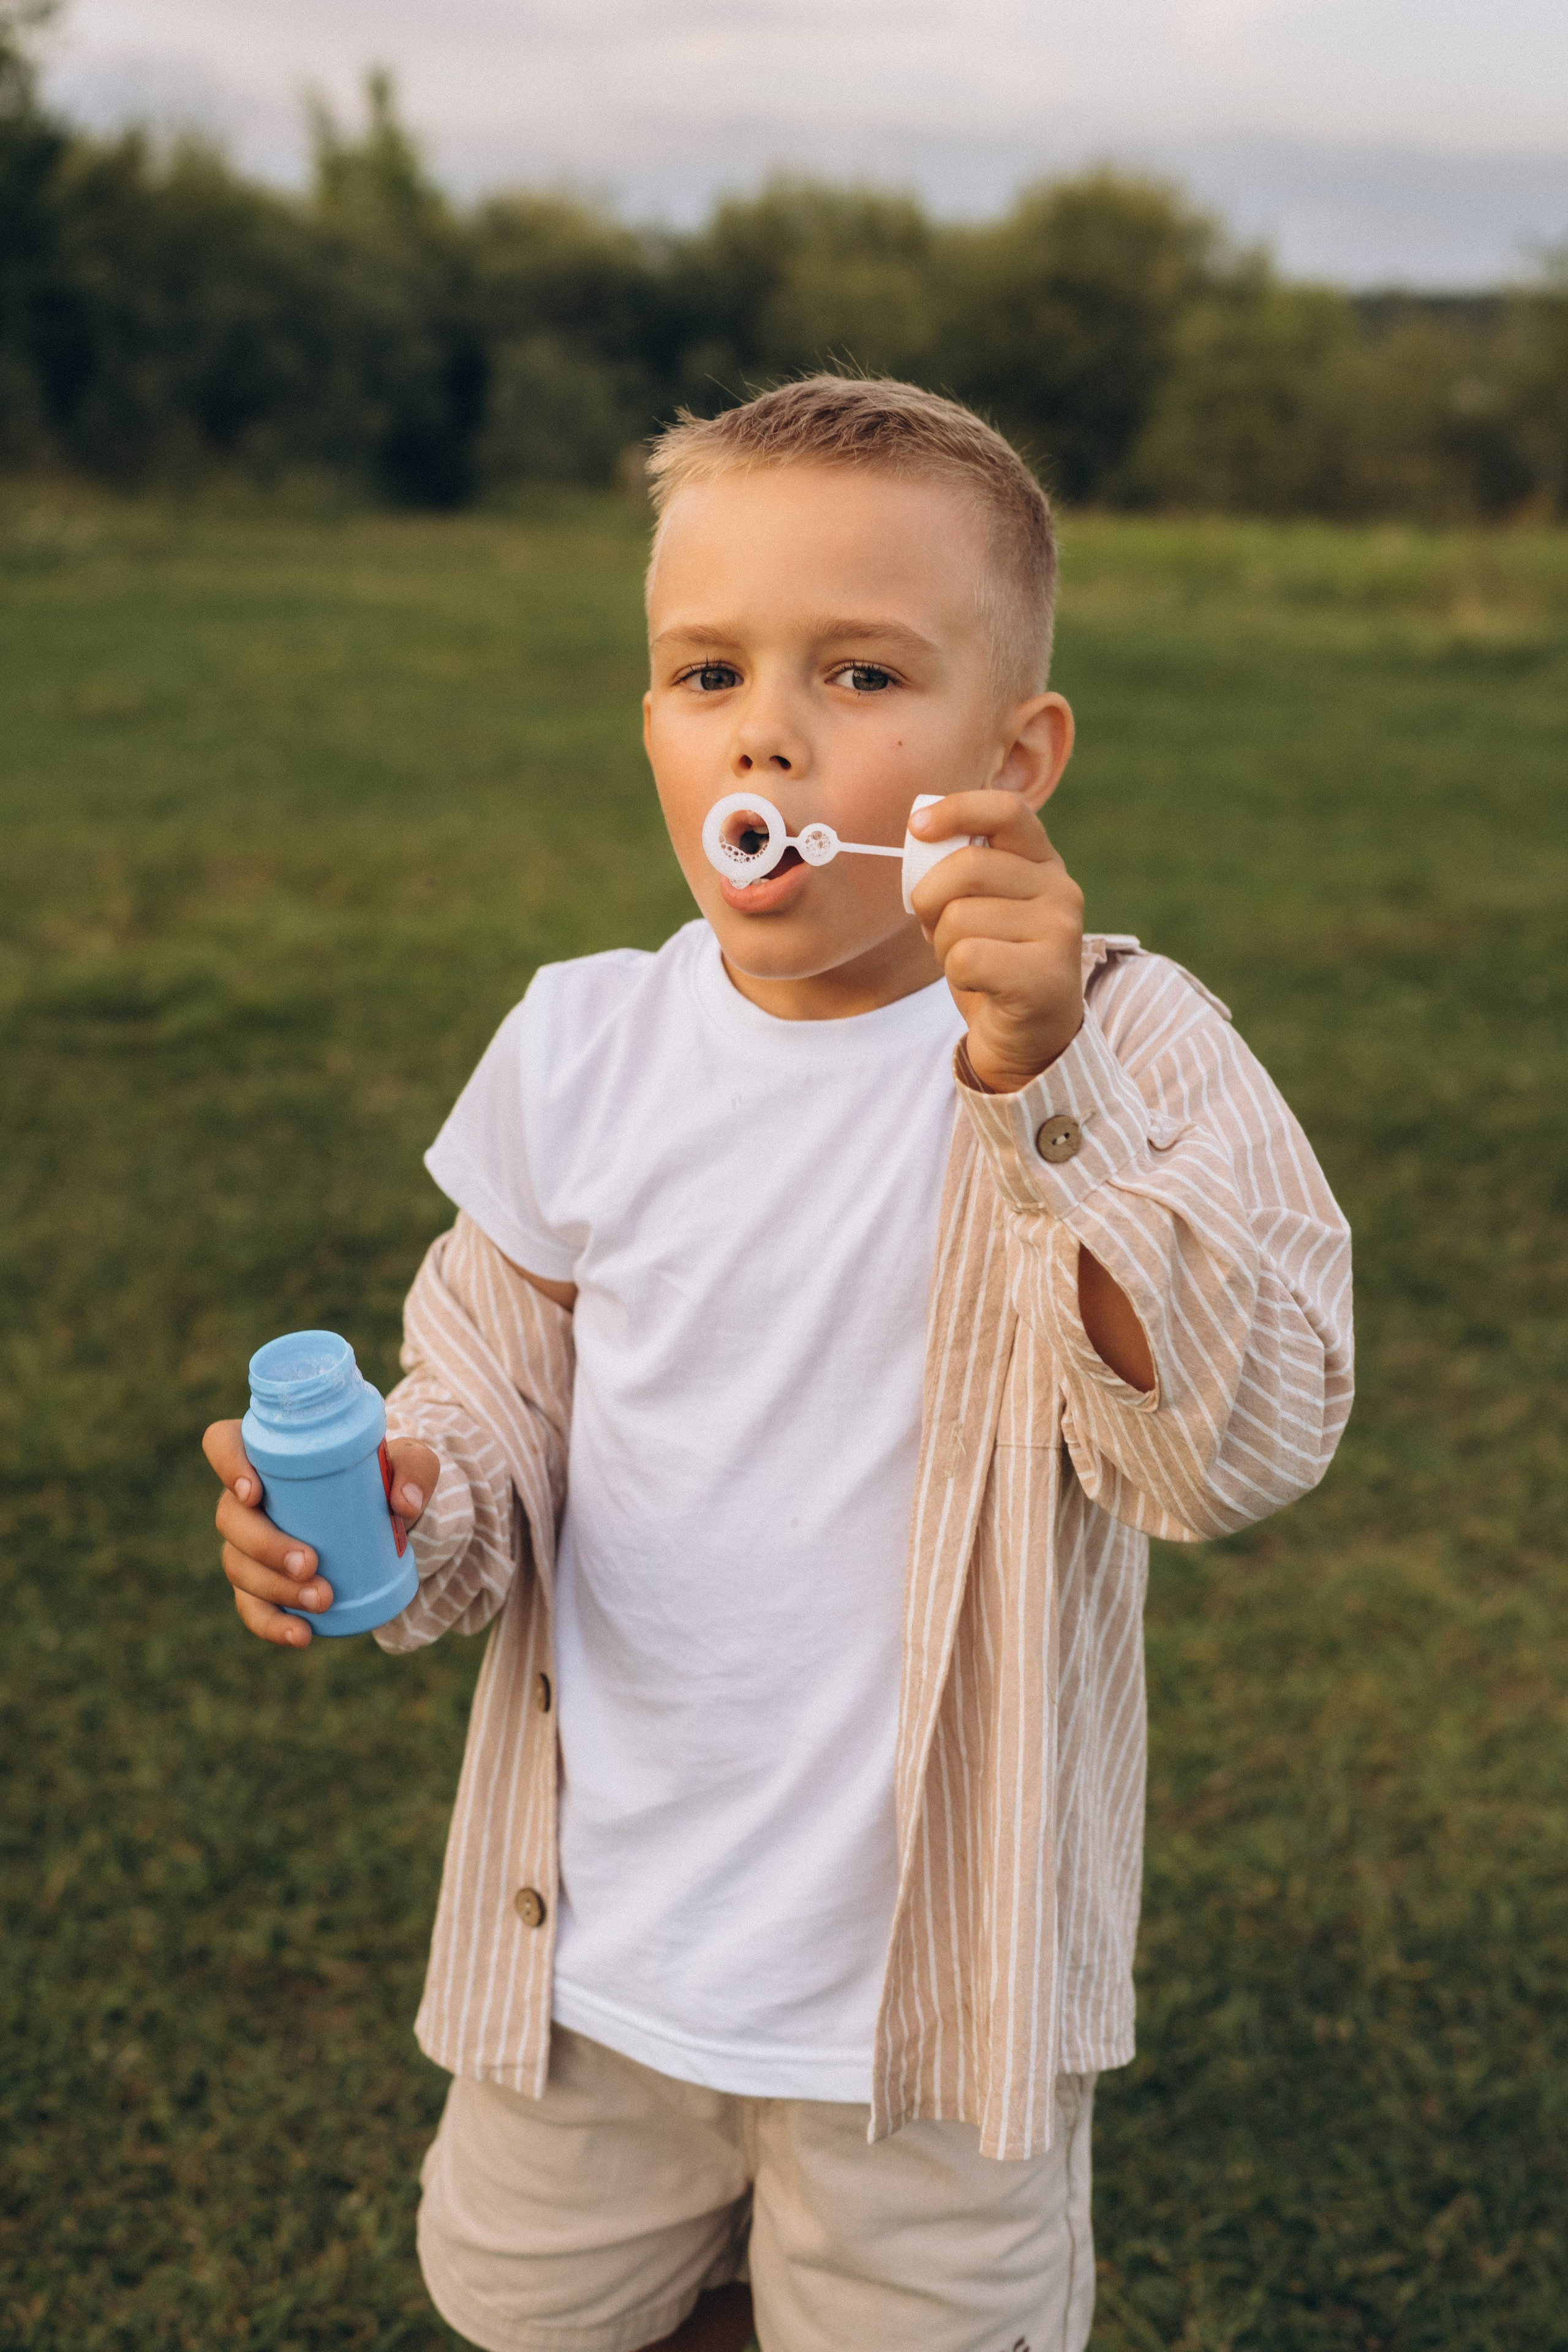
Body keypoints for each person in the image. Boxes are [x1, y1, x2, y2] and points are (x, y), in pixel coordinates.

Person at [204, 375, 1353, 2352]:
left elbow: (1235, 1444)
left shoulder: (1132, 1047)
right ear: (652, 720)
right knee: (529, 2310)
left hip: (929, 2000)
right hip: (595, 1965)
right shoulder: (583, 1049)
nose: (768, 729)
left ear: (1018, 752)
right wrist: (410, 1493)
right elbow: (488, 1395)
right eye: (705, 670)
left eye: (861, 670)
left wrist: (1041, 1082)